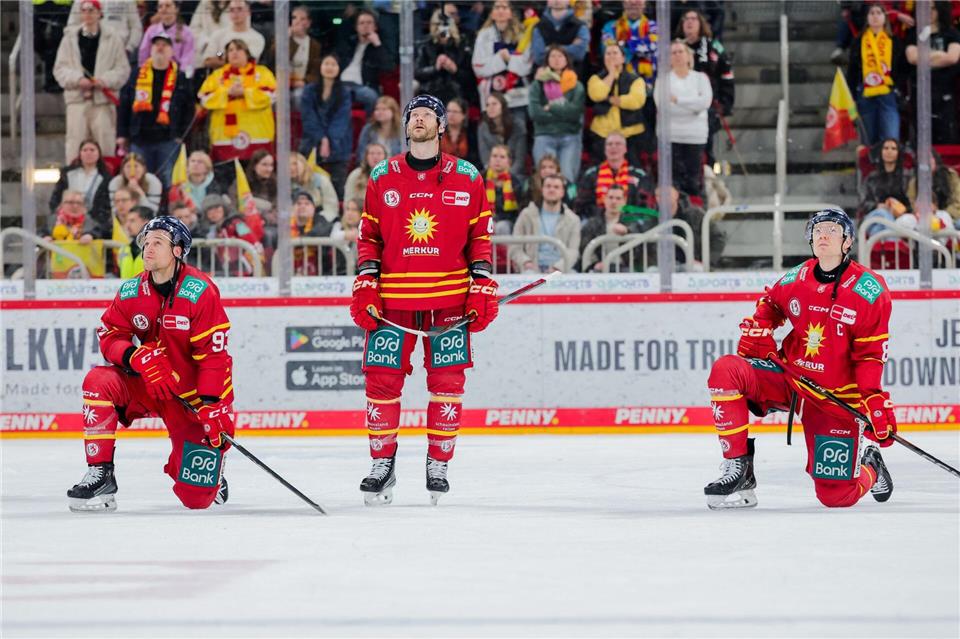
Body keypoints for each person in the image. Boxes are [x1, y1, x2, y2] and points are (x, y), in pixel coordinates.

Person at [349, 94, 498, 506]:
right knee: (381, 384)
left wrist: (481, 282)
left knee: (448, 383)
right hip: (393, 302)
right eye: (412, 116)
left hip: (448, 302)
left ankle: (439, 464)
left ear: (440, 126)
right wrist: (366, 280)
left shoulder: (468, 177)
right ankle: (382, 464)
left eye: (425, 116)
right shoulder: (382, 175)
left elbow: (480, 238)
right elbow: (369, 237)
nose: (417, 121)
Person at [703, 208, 895, 510]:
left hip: (833, 399)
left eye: (832, 229)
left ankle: (872, 465)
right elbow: (771, 302)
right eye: (818, 230)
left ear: (848, 241)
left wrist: (872, 400)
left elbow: (870, 354)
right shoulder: (798, 277)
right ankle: (739, 469)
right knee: (727, 370)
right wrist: (762, 324)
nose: (823, 234)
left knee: (836, 496)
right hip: (791, 380)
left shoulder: (869, 290)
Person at [67, 216, 235, 512]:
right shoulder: (131, 291)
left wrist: (211, 404)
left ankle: (211, 470)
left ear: (178, 250)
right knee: (98, 381)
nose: (148, 247)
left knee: (197, 499)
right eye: (146, 241)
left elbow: (214, 356)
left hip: (190, 399)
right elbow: (109, 334)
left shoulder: (200, 291)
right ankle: (101, 474)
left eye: (158, 241)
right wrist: (133, 356)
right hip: (148, 385)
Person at [53, 0, 131, 162]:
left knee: (105, 145)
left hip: (103, 102)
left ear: (99, 13)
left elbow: (123, 70)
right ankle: (74, 184)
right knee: (75, 146)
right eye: (84, 10)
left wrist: (104, 80)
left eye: (91, 10)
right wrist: (78, 79)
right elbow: (59, 69)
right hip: (77, 101)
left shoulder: (112, 38)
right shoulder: (69, 39)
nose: (88, 14)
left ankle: (105, 183)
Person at [117, 30, 195, 187]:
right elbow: (124, 106)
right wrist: (122, 134)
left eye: (165, 45)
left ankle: (166, 212)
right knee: (138, 180)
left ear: (171, 51)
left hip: (168, 139)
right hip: (140, 138)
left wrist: (181, 135)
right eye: (156, 45)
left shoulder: (180, 77)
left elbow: (189, 109)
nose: (160, 48)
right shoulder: (137, 75)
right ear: (150, 49)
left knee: (168, 181)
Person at [198, 38, 277, 163]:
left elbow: (272, 95)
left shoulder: (263, 73)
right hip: (224, 137)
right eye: (230, 50)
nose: (234, 52)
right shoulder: (217, 75)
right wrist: (227, 93)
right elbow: (204, 99)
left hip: (258, 135)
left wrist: (245, 93)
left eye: (239, 49)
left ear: (247, 53)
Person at [654, 40, 712, 200]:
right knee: (672, 185)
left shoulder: (701, 79)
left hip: (695, 138)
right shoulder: (663, 80)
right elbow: (663, 106)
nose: (677, 55)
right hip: (670, 138)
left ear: (688, 56)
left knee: (694, 184)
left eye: (680, 51)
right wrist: (693, 105)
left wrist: (677, 100)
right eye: (673, 53)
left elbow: (705, 103)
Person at [677, 8, 734, 166]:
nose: (689, 22)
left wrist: (724, 104)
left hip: (707, 107)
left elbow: (727, 75)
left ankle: (705, 178)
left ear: (701, 23)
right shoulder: (675, 49)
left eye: (693, 19)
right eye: (686, 19)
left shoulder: (713, 47)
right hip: (679, 107)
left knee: (704, 150)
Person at [846, 3, 904, 146]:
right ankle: (871, 167)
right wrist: (852, 96)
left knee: (891, 137)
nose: (875, 16)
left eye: (879, 13)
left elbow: (902, 69)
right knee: (868, 139)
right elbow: (852, 70)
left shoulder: (894, 41)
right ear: (867, 18)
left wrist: (897, 88)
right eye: (872, 13)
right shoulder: (859, 41)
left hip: (888, 93)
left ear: (885, 17)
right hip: (865, 92)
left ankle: (890, 166)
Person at [904, 1, 960, 144]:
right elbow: (912, 58)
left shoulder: (951, 33)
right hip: (920, 91)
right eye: (924, 8)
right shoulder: (913, 33)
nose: (928, 12)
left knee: (946, 134)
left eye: (932, 8)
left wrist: (924, 56)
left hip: (944, 91)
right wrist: (940, 55)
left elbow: (953, 57)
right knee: (921, 135)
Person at [528, 45, 585, 184]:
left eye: (560, 56)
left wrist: (551, 108)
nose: (556, 60)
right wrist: (563, 111)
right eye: (553, 56)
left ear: (567, 60)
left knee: (567, 179)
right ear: (547, 60)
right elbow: (535, 113)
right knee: (544, 180)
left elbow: (575, 113)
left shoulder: (576, 86)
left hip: (570, 136)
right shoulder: (538, 85)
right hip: (544, 135)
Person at [300, 54, 354, 199]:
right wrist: (321, 138)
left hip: (337, 142)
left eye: (333, 64)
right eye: (326, 64)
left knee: (338, 186)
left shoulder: (344, 92)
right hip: (312, 140)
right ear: (320, 66)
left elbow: (341, 119)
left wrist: (329, 140)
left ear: (339, 69)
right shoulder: (309, 90)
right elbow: (308, 117)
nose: (329, 67)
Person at [586, 43, 647, 166]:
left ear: (623, 58)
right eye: (608, 53)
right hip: (602, 133)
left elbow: (636, 101)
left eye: (615, 53)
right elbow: (597, 95)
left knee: (631, 171)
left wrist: (611, 100)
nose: (611, 56)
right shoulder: (595, 78)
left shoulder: (636, 79)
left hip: (630, 133)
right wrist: (611, 74)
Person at [509, 174, 581, 273]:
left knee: (575, 278)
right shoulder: (526, 215)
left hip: (561, 270)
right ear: (542, 190)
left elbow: (573, 251)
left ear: (562, 192)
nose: (551, 190)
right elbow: (514, 247)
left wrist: (558, 267)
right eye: (548, 186)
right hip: (531, 267)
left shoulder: (573, 219)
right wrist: (526, 262)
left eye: (556, 187)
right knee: (528, 276)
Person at [471, 0, 533, 114]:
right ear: (492, 13)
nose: (500, 10)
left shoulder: (522, 34)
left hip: (518, 97)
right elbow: (478, 67)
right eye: (497, 7)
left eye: (504, 8)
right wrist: (500, 58)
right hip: (492, 96)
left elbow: (527, 65)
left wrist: (510, 59)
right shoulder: (483, 35)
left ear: (511, 13)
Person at [575, 132, 654, 221]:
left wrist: (627, 222)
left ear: (625, 149)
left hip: (630, 222)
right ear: (605, 149)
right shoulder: (591, 175)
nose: (613, 147)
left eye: (618, 144)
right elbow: (582, 205)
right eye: (610, 144)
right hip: (597, 223)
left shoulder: (639, 175)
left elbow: (645, 206)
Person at [579, 183, 652, 272]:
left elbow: (638, 250)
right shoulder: (592, 223)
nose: (614, 202)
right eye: (610, 197)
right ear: (604, 199)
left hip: (625, 268)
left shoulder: (631, 222)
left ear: (624, 201)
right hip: (599, 268)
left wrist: (627, 232)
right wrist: (595, 263)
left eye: (618, 198)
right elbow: (584, 247)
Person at [262, 5, 324, 110]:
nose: (297, 21)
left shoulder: (315, 45)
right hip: (280, 82)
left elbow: (315, 70)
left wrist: (305, 81)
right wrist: (285, 38)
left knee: (299, 96)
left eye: (302, 19)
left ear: (308, 23)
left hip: (301, 83)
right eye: (294, 18)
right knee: (277, 98)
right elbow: (272, 58)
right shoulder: (281, 39)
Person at [335, 8, 395, 115]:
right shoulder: (349, 44)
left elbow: (389, 67)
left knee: (370, 96)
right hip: (341, 84)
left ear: (375, 27)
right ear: (356, 27)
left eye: (369, 23)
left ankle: (369, 128)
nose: (365, 26)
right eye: (361, 23)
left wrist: (377, 44)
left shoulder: (379, 47)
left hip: (362, 87)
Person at [414, 7, 474, 106]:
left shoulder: (462, 46)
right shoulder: (425, 46)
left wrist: (455, 70)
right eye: (438, 25)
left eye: (445, 25)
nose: (442, 29)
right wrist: (435, 68)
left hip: (457, 92)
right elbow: (417, 72)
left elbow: (470, 77)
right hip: (431, 91)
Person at [50, 139, 112, 231]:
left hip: (92, 221)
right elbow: (56, 196)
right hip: (66, 219)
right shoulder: (68, 174)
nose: (88, 153)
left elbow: (105, 204)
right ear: (80, 154)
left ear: (99, 154)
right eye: (85, 150)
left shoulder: (105, 178)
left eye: (92, 150)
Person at [200, 194, 263, 276]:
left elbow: (252, 241)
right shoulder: (210, 231)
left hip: (243, 269)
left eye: (217, 208)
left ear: (224, 209)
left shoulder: (237, 224)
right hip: (224, 269)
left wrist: (256, 262)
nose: (214, 213)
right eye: (209, 210)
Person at [601, 0, 658, 88]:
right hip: (618, 82)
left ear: (645, 3)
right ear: (623, 2)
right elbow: (609, 52)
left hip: (648, 83)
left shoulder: (654, 26)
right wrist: (641, 44)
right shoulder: (610, 26)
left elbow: (654, 46)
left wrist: (624, 43)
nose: (633, 2)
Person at [67, 0, 142, 63]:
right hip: (87, 53)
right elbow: (71, 26)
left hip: (118, 53)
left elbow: (136, 27)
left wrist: (129, 48)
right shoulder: (79, 1)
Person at [199, 0, 265, 70]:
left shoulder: (257, 38)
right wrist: (220, 54)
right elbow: (207, 60)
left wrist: (222, 57)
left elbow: (247, 61)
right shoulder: (218, 35)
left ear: (248, 12)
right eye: (232, 10)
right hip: (221, 78)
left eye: (240, 9)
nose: (235, 13)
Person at [139, 0, 195, 77]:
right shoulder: (151, 30)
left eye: (168, 6)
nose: (163, 9)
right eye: (160, 6)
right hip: (152, 73)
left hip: (176, 74)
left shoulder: (186, 32)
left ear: (176, 9)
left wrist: (182, 76)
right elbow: (144, 54)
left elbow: (188, 59)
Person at [858, 138, 911, 218]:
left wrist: (899, 208)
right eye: (886, 148)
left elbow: (913, 202)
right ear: (881, 152)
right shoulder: (872, 177)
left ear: (898, 152)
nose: (889, 151)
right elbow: (863, 203)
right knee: (882, 215)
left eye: (893, 148)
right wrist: (877, 206)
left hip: (902, 216)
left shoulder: (907, 176)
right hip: (877, 215)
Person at [531, 0, 590, 71]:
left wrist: (549, 49)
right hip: (546, 78)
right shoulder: (538, 27)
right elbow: (539, 57)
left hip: (573, 77)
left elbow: (579, 54)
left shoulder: (580, 26)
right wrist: (568, 49)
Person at [477, 92, 527, 175]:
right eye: (487, 105)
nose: (490, 108)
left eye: (494, 104)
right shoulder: (482, 128)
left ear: (503, 106)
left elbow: (520, 159)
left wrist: (509, 176)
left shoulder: (518, 126)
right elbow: (485, 157)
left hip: (514, 173)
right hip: (492, 173)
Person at [907, 150, 960, 227]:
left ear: (935, 159)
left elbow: (958, 201)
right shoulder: (914, 182)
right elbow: (912, 204)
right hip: (923, 219)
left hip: (953, 216)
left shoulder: (950, 176)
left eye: (929, 158)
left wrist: (941, 214)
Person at [289, 189, 334, 276]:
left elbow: (322, 231)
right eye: (298, 204)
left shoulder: (320, 220)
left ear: (313, 208)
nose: (302, 206)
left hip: (319, 274)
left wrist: (299, 242)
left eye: (307, 204)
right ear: (292, 208)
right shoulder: (286, 225)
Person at [484, 144, 526, 234]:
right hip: (484, 220)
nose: (497, 160)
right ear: (489, 159)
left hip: (508, 222)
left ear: (509, 162)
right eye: (494, 156)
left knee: (501, 227)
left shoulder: (515, 183)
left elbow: (520, 210)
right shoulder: (481, 179)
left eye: (502, 157)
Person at [290, 153, 340, 225]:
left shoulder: (321, 181)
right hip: (296, 224)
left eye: (294, 164)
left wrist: (316, 221)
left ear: (303, 163)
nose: (291, 168)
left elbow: (332, 208)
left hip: (322, 222)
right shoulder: (286, 186)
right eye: (287, 165)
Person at [356, 96, 404, 160]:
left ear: (393, 112)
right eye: (377, 109)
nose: (379, 112)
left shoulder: (402, 131)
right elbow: (361, 153)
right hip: (373, 168)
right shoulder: (368, 129)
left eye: (384, 109)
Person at [439, 98, 480, 167]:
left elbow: (475, 158)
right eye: (448, 111)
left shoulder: (472, 133)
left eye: (455, 112)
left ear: (463, 115)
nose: (451, 114)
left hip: (464, 170)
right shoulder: (438, 132)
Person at [116, 205, 152, 278]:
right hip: (129, 289)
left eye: (132, 221)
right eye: (127, 221)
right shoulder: (123, 249)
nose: (127, 225)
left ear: (146, 223)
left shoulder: (157, 248)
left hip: (148, 289)